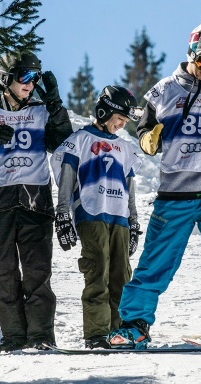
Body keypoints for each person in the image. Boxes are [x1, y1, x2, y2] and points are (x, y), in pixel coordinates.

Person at [107, 19, 201, 349]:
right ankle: (135, 325)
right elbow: (145, 133)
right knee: (154, 264)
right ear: (190, 55)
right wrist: (149, 138)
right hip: (174, 193)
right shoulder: (163, 91)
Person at [0, 52, 73, 352]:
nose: (31, 83)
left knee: (38, 271)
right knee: (3, 271)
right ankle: (13, 335)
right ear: (5, 78)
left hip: (35, 200)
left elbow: (62, 143)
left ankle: (40, 336)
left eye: (35, 77)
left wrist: (56, 106)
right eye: (24, 76)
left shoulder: (41, 110)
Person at [50, 86, 144, 349]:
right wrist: (62, 214)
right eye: (119, 119)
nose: (122, 125)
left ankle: (119, 331)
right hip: (90, 214)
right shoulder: (79, 140)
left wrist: (134, 220)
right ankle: (97, 333)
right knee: (97, 270)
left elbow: (130, 186)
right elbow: (66, 177)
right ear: (104, 111)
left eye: (125, 122)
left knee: (121, 276)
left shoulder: (125, 148)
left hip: (120, 218)